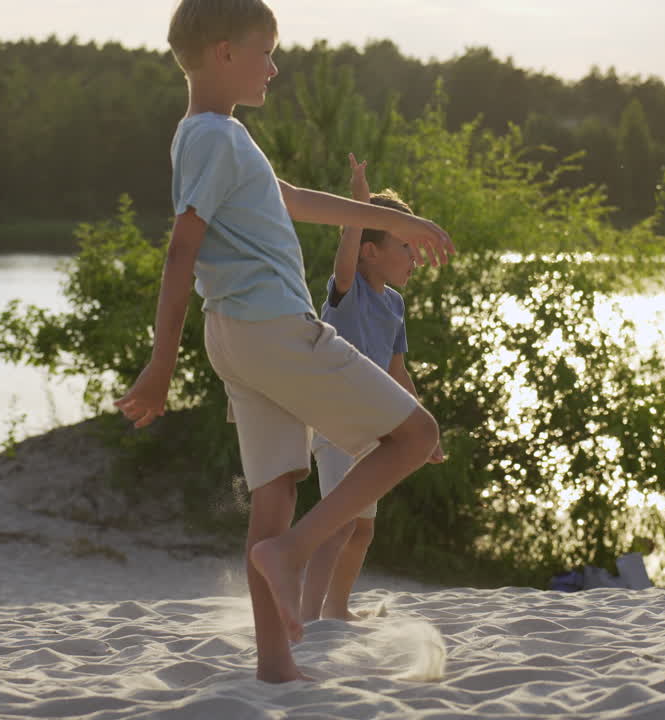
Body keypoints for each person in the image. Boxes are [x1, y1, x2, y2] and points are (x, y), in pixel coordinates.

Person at [114, 0, 456, 684]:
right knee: (416, 436)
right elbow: (181, 251)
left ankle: (276, 664)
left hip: (235, 337)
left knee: (276, 490)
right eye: (266, 52)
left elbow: (293, 197)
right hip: (271, 328)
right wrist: (159, 364)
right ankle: (295, 552)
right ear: (224, 53)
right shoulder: (216, 137)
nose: (274, 67)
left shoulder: (211, 137)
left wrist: (392, 220)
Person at [299, 155, 445, 623]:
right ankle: (308, 615)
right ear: (369, 251)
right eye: (404, 245)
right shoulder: (348, 291)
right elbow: (345, 260)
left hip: (375, 433)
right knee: (338, 524)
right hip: (338, 424)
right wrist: (358, 205)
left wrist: (424, 432)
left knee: (361, 529)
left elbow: (398, 371)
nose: (414, 257)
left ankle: (336, 608)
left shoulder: (395, 305)